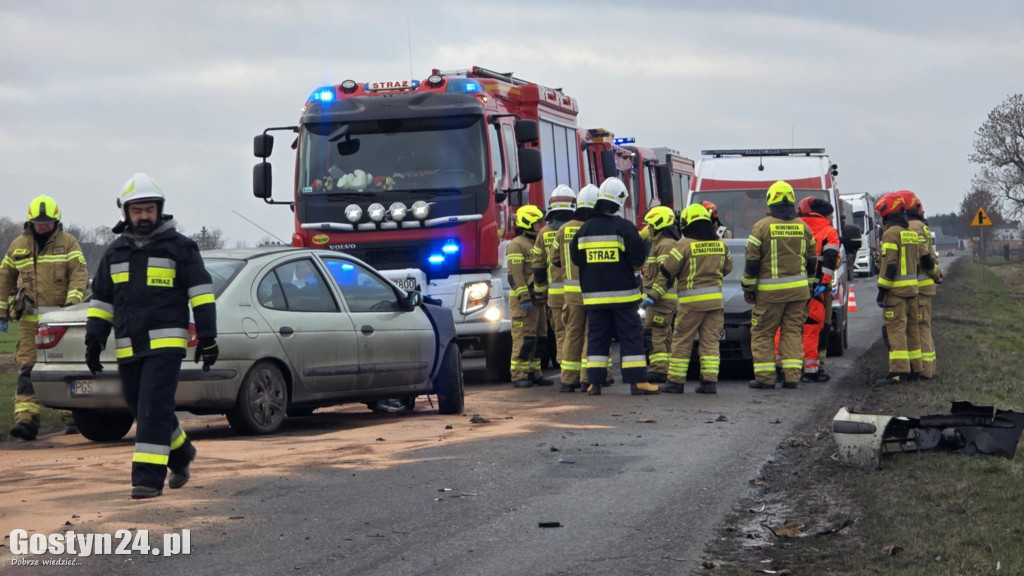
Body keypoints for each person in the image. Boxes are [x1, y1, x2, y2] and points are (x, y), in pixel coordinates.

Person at [85, 174, 218, 499]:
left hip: (167, 346)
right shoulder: (115, 253)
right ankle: (181, 453)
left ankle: (147, 478)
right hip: (129, 346)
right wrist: (94, 340)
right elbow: (102, 301)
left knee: (153, 408)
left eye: (149, 209)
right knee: (140, 406)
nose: (144, 216)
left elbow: (201, 294)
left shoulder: (180, 248)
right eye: (137, 210)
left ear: (159, 210)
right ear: (126, 213)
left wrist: (207, 336)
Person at [1, 196, 87, 440]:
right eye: (39, 223)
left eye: (47, 222)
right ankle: (26, 419)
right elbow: (4, 277)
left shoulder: (68, 243)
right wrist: (2, 311)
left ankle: (72, 416)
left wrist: (72, 303)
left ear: (56, 221)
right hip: (29, 323)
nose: (43, 226)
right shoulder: (18, 245)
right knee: (27, 369)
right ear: (30, 223)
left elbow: (79, 274)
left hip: (60, 321)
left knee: (65, 366)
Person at [570, 177, 658, 395]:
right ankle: (638, 382)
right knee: (631, 338)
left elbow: (576, 259)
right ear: (620, 201)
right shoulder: (625, 227)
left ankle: (594, 383)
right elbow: (638, 261)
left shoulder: (585, 229)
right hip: (623, 298)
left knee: (597, 339)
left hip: (594, 299)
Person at [646, 204, 732, 393]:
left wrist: (654, 294)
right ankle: (709, 382)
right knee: (710, 342)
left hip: (691, 304)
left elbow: (667, 271)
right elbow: (728, 268)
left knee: (682, 341)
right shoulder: (720, 243)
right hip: (715, 303)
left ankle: (675, 382)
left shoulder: (684, 244)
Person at [743, 181, 816, 389]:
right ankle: (792, 377)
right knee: (792, 332)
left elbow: (752, 262)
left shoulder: (762, 227)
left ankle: (765, 378)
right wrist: (809, 286)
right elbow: (812, 262)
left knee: (763, 333)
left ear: (770, 201)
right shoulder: (804, 227)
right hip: (799, 293)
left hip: (770, 294)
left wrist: (748, 288)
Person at [874, 193, 936, 384]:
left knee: (896, 330)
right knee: (913, 330)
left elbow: (890, 265)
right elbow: (918, 263)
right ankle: (916, 368)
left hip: (896, 293)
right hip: (912, 292)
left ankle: (898, 372)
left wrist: (882, 291)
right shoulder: (910, 232)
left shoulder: (891, 234)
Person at [897, 191, 943, 379]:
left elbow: (923, 256)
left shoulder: (912, 227)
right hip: (924, 287)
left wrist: (936, 275)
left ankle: (924, 370)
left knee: (919, 327)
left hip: (918, 288)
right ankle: (927, 368)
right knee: (924, 327)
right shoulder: (920, 225)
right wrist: (936, 275)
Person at [506, 204, 552, 388]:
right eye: (538, 223)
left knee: (540, 339)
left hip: (537, 300)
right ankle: (519, 375)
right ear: (527, 223)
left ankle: (535, 373)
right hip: (523, 303)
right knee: (524, 339)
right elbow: (514, 274)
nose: (541, 225)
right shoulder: (516, 244)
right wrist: (524, 297)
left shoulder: (535, 243)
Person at [796, 196, 840, 382]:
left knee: (792, 328)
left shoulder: (795, 227)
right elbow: (831, 260)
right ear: (824, 215)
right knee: (818, 327)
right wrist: (823, 283)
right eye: (831, 215)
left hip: (794, 288)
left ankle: (790, 368)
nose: (832, 218)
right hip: (819, 288)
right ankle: (816, 367)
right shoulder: (829, 231)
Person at [532, 185, 575, 371]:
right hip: (579, 294)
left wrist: (541, 292)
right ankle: (583, 373)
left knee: (561, 334)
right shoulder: (579, 228)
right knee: (579, 333)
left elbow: (538, 266)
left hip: (555, 297)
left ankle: (567, 373)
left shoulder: (544, 233)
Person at [638, 206, 680, 384]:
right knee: (663, 334)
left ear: (659, 225)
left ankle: (659, 369)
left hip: (661, 299)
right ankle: (664, 367)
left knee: (655, 333)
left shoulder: (665, 245)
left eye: (650, 225)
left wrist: (653, 296)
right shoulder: (659, 244)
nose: (648, 228)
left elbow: (666, 275)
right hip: (659, 299)